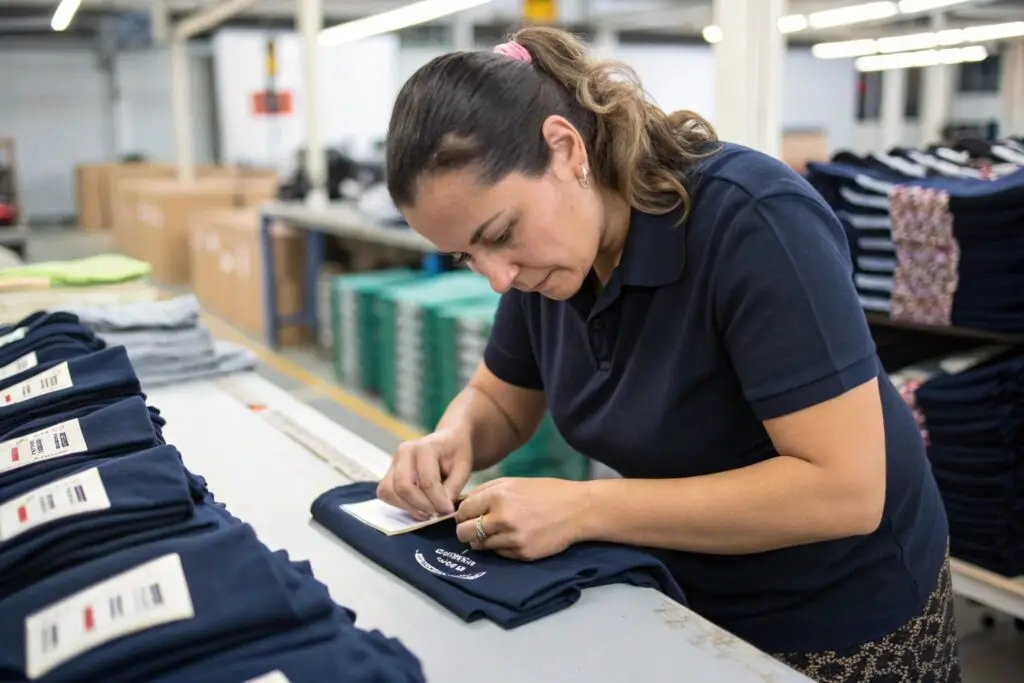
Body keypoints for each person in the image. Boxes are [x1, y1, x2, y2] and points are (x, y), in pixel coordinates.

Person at [376, 26, 960, 683]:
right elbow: (498, 400)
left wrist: (582, 507)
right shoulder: (549, 261)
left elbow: (846, 489)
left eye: (499, 234)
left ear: (565, 148)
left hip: (835, 609)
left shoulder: (755, 223)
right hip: (676, 582)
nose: (496, 277)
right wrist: (452, 437)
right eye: (467, 255)